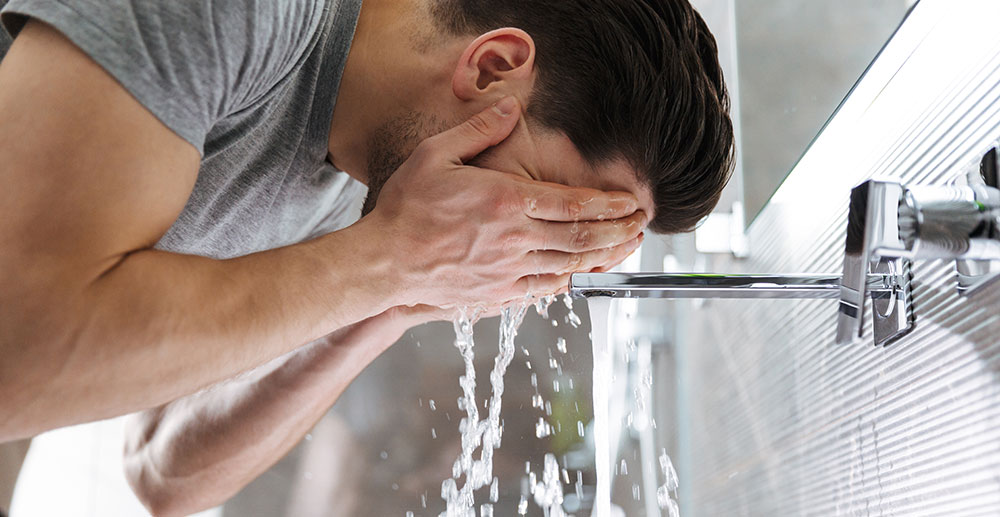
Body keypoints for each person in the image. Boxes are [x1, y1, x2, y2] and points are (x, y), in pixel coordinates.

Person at [0, 0, 731, 508]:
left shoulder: (369, 197)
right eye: (538, 208)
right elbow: (15, 363)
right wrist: (385, 263)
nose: (513, 247)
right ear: (491, 68)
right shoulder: (242, 16)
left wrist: (394, 299)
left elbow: (166, 471)